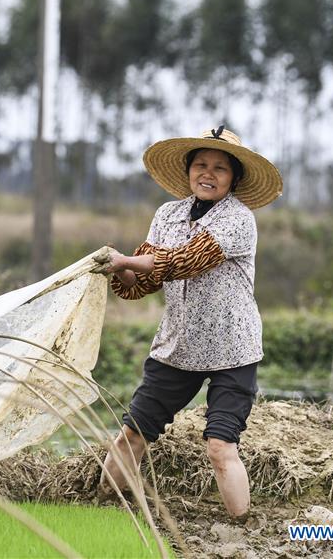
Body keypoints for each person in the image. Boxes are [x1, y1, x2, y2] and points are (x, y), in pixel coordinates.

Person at [92, 125, 282, 518]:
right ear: (188, 172)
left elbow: (184, 261)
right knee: (132, 435)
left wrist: (126, 259)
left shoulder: (239, 220)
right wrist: (115, 270)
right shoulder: (168, 215)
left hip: (233, 348)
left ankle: (243, 530)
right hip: (177, 347)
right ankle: (101, 507)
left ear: (233, 179)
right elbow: (142, 281)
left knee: (220, 446)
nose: (207, 174)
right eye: (200, 165)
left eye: (219, 168)